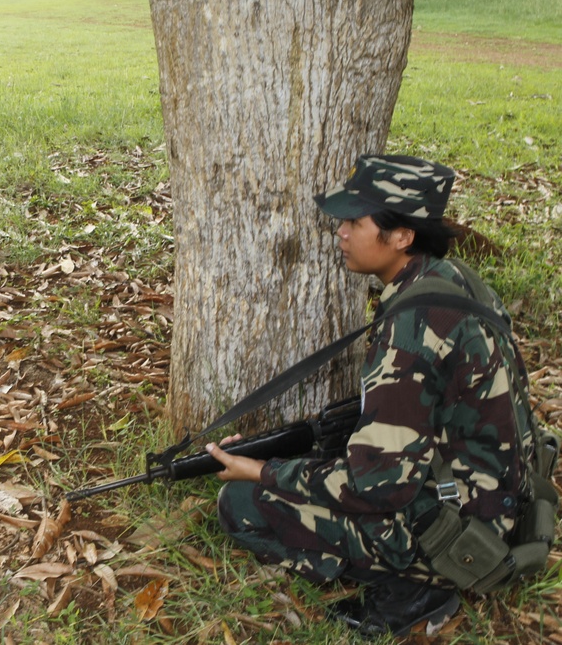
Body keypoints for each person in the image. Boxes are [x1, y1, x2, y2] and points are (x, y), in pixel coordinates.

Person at [205, 154, 535, 637]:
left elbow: (380, 487)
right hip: (498, 496)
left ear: (402, 236)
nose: (340, 231)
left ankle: (417, 587)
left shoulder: (411, 328)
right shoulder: (454, 278)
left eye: (355, 221)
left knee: (239, 503)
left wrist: (261, 469)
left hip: (459, 530)